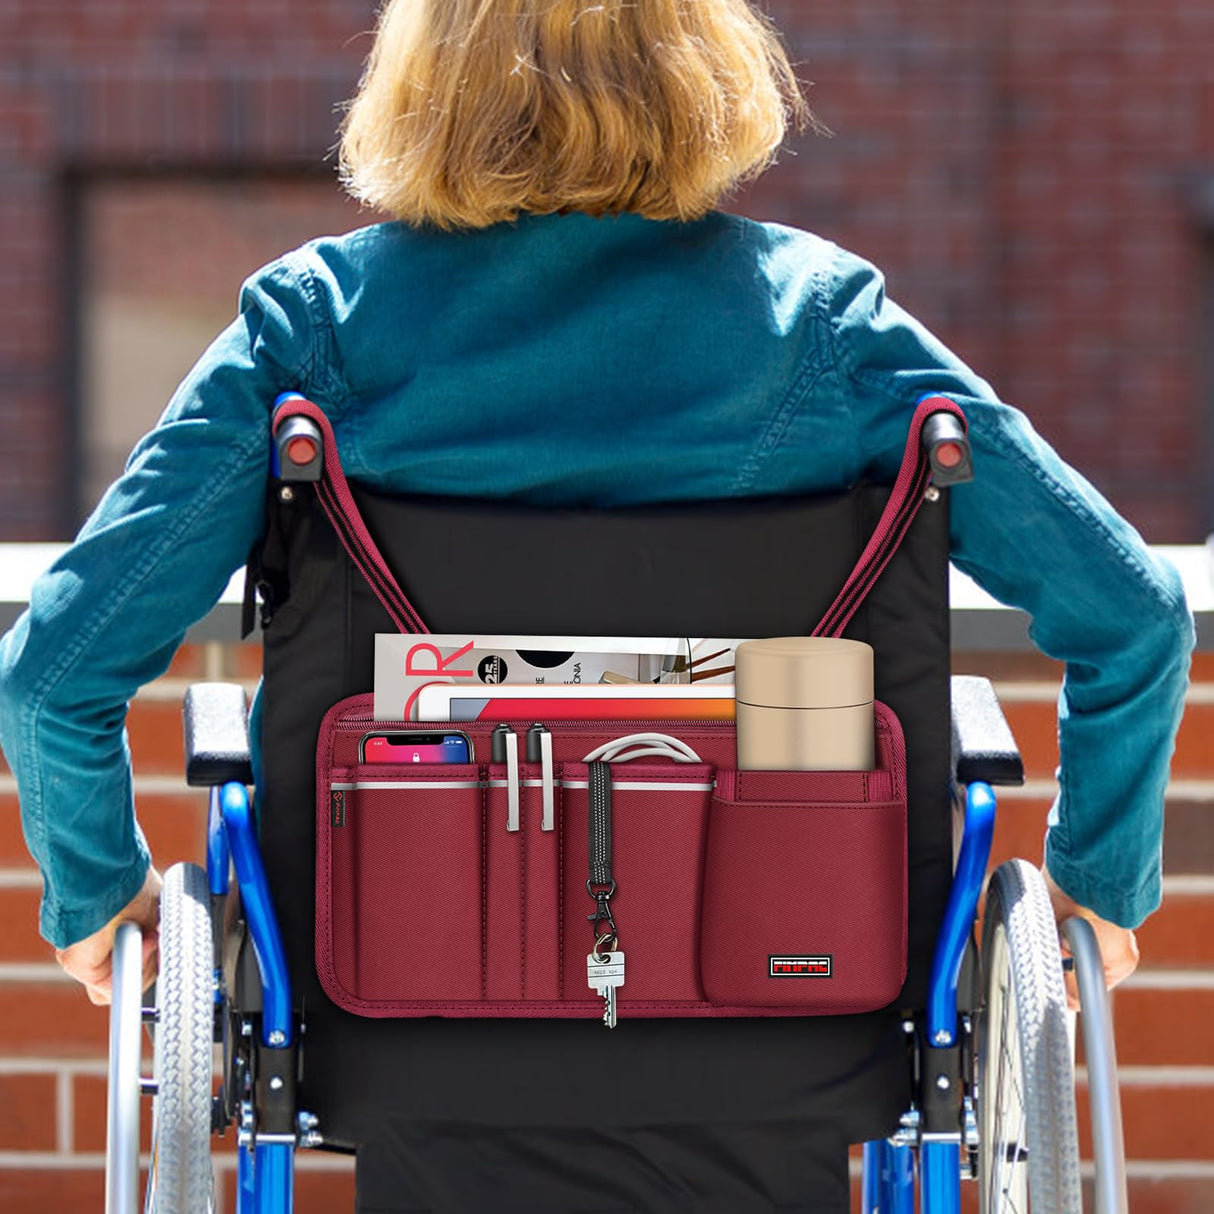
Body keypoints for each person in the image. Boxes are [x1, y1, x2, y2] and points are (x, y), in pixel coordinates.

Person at [0, 0, 1193, 1209]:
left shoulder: (313, 331)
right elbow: (1134, 613)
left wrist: (105, 897)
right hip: (795, 1025)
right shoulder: (825, 331)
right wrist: (1095, 883)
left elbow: (52, 674)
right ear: (704, 77)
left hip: (396, 1022)